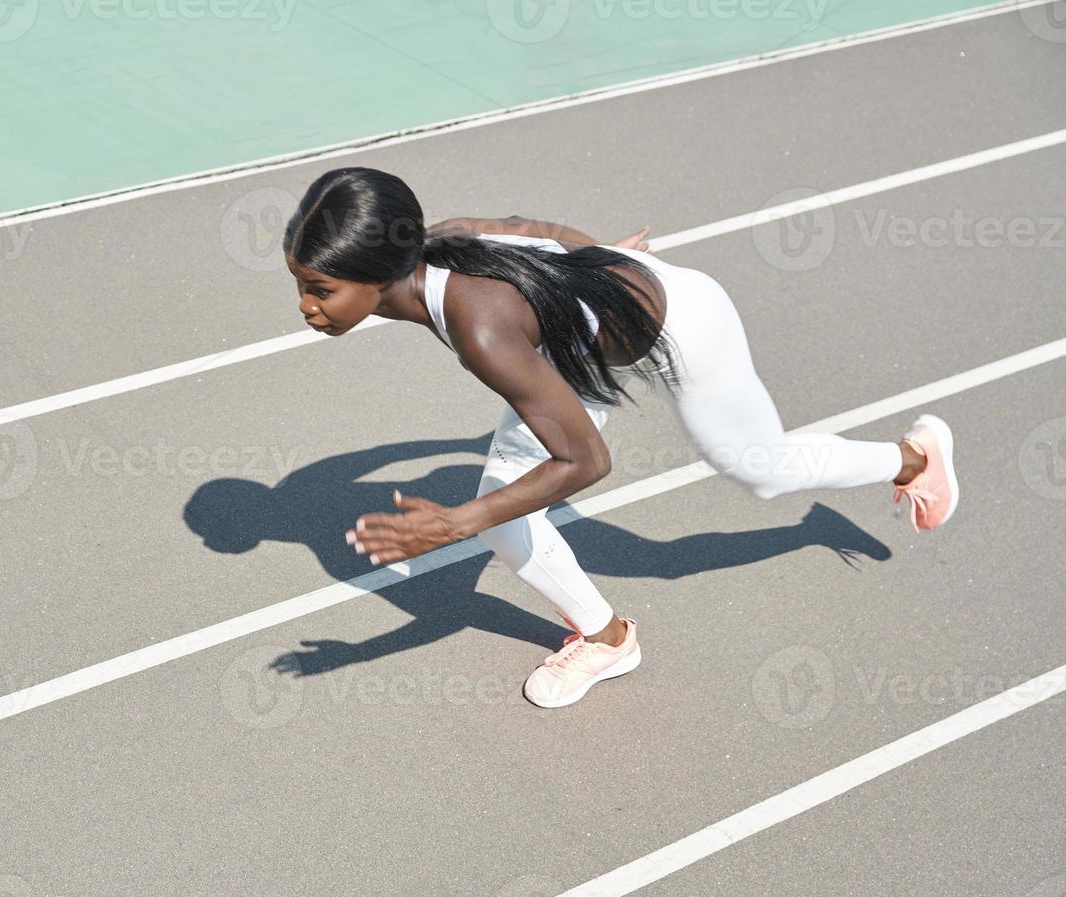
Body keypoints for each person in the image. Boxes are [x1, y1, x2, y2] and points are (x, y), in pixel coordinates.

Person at [282, 167, 958, 709]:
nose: (307, 306)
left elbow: (585, 461)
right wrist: (596, 259)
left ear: (377, 276)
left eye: (319, 288)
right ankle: (607, 640)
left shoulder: (481, 332)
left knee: (763, 471)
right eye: (302, 286)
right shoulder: (437, 241)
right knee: (506, 517)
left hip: (680, 327)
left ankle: (914, 458)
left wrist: (457, 523)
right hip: (581, 349)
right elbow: (528, 228)